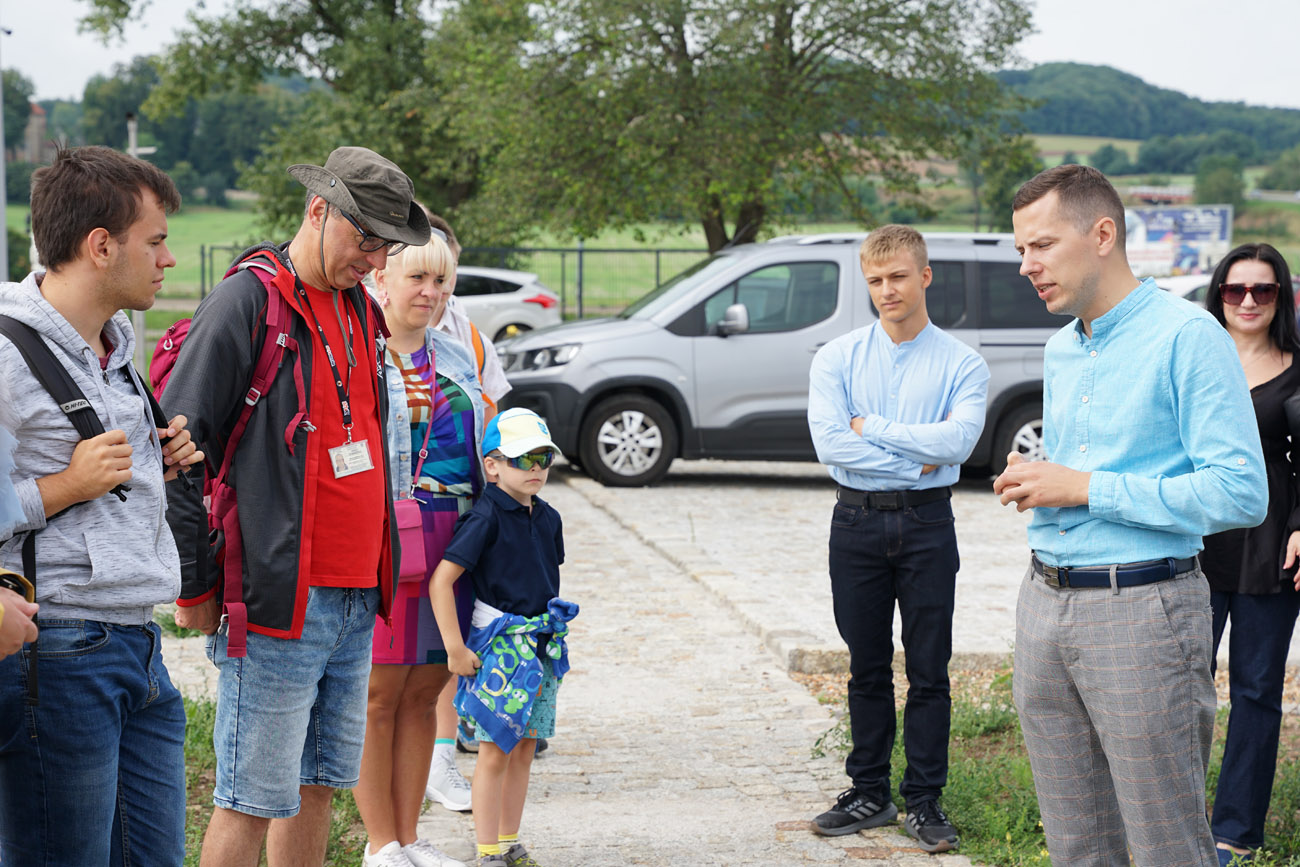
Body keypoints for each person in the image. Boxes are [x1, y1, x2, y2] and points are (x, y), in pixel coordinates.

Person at [994, 164, 1267, 866]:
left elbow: (1241, 492)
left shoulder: (1188, 336)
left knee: (1165, 844)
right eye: (1022, 249)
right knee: (1077, 844)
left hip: (1143, 609)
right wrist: (1042, 481)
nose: (1027, 265)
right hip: (1043, 602)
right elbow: (1088, 467)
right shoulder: (1061, 347)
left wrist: (1085, 486)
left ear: (1103, 234)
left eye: (1042, 245)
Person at [162, 146, 427, 867]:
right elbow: (175, 447)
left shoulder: (359, 310)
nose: (374, 260)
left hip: (352, 599)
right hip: (277, 602)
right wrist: (194, 580)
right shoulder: (246, 303)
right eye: (364, 238)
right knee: (248, 800)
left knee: (317, 789)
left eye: (384, 245)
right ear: (318, 209)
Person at [0, 145, 203, 864]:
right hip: (56, 651)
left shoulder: (113, 344)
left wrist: (160, 462)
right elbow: (72, 481)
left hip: (137, 647)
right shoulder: (6, 350)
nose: (168, 259)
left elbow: (103, 475)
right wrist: (67, 486)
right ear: (100, 245)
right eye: (156, 241)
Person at [806, 225, 990, 852]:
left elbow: (958, 444)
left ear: (925, 276)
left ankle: (925, 800)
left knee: (930, 667)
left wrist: (875, 430)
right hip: (854, 523)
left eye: (898, 277)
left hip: (927, 525)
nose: (887, 290)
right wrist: (916, 457)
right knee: (865, 665)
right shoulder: (836, 357)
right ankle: (869, 791)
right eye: (876, 281)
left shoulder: (963, 363)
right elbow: (831, 446)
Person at [353, 233, 485, 867]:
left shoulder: (458, 357)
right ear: (383, 280)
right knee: (378, 694)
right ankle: (380, 844)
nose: (431, 294)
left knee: (426, 690)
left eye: (441, 282)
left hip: (452, 545)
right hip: (381, 539)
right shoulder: (355, 356)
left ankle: (410, 838)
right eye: (417, 279)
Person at [430, 408, 571, 867]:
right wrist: (455, 645)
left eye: (542, 458)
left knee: (527, 746)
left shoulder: (548, 518)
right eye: (521, 459)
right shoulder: (485, 518)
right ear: (492, 465)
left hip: (541, 644)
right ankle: (487, 851)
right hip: (500, 649)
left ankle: (510, 843)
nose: (535, 469)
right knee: (494, 750)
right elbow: (441, 580)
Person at [1199, 243, 1300, 865]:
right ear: (1219, 295)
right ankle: (1171, 816)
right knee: (1181, 685)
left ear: (1279, 298)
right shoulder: (1196, 360)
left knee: (1257, 691)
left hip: (1271, 547)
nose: (1247, 302)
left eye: (1262, 291)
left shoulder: (1298, 367)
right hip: (1195, 541)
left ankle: (1234, 829)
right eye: (1236, 290)